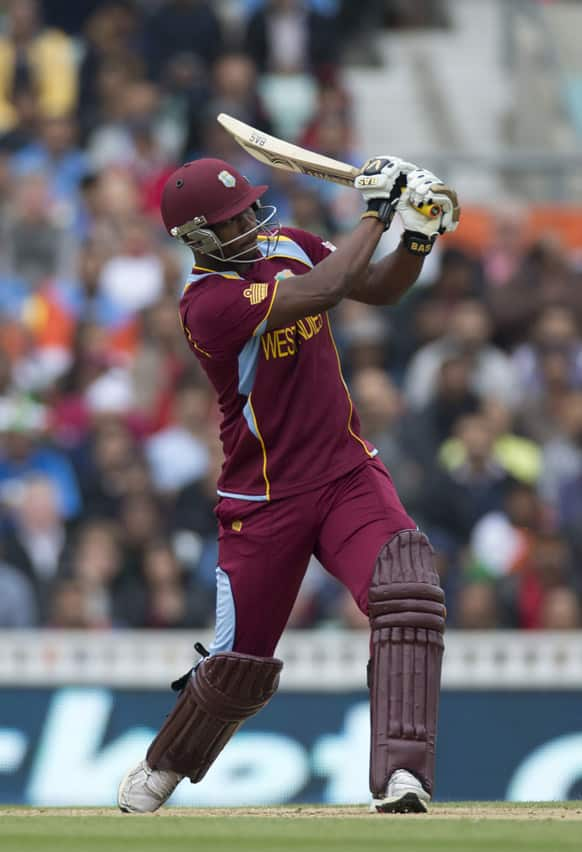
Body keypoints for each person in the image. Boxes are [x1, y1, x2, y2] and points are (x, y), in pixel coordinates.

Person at [117, 153, 459, 814]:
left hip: (347, 474)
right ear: (197, 239)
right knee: (238, 669)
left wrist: (416, 234)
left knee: (410, 590)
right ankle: (161, 769)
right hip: (263, 500)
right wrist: (378, 209)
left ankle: (401, 777)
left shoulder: (291, 244)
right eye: (229, 218)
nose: (248, 218)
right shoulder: (207, 305)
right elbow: (326, 289)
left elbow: (377, 287)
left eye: (246, 204)